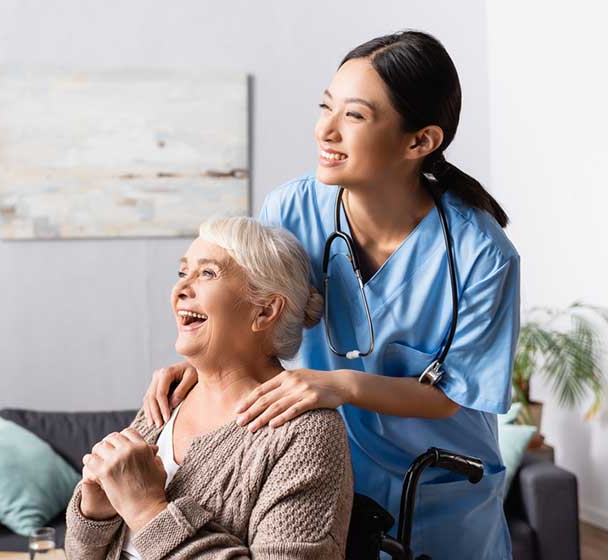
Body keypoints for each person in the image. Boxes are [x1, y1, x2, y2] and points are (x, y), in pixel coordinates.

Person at [144, 30, 520, 559]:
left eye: (355, 116)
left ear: (420, 141)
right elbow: (250, 313)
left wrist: (340, 384)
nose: (326, 129)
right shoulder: (292, 211)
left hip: (441, 491)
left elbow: (453, 393)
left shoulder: (483, 255)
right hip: (323, 481)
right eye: (327, 107)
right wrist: (205, 367)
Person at [64, 217, 353, 560]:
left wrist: (145, 510)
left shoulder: (306, 434)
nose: (180, 290)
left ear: (265, 310)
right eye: (182, 273)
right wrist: (97, 513)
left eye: (207, 273)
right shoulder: (169, 398)